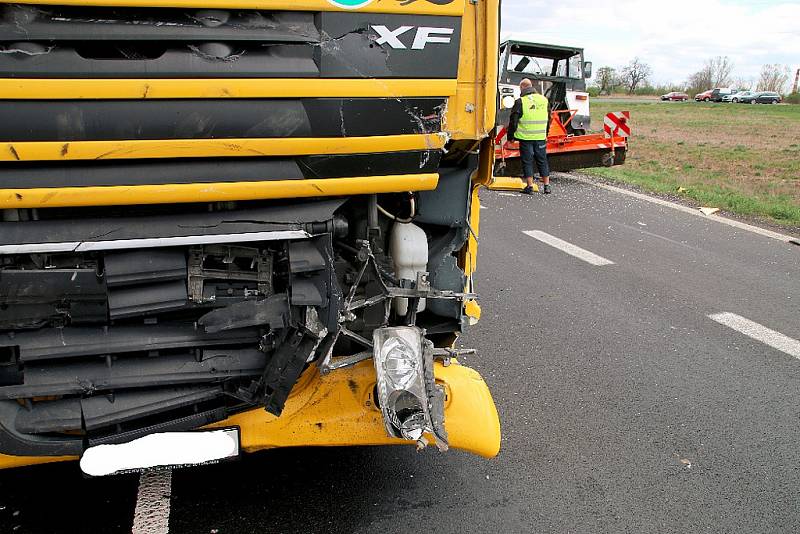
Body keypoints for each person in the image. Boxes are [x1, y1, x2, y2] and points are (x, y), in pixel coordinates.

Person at [507, 78, 551, 195]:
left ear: (522, 88)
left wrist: (510, 137)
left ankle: (530, 186)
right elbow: (549, 119)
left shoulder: (520, 101)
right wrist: (545, 133)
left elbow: (513, 121)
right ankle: (547, 186)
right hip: (540, 137)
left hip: (526, 138)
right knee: (542, 160)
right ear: (531, 86)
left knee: (527, 161)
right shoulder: (544, 100)